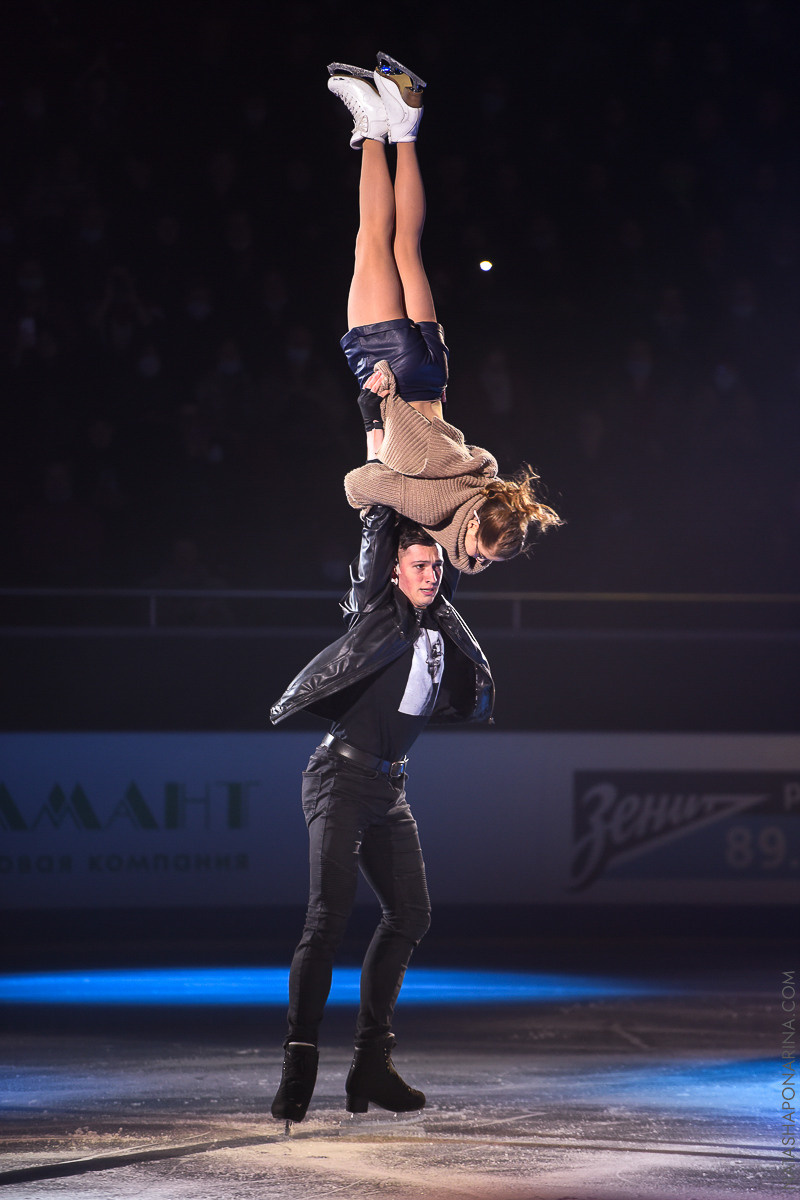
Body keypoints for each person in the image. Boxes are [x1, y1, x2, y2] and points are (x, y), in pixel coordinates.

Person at [269, 500, 494, 1124]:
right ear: (393, 570)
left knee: (412, 914)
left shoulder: (440, 626)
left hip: (389, 791)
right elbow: (375, 526)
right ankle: (300, 1059)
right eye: (419, 565)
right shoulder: (379, 610)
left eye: (437, 568)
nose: (431, 576)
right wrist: (378, 422)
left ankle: (371, 1061)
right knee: (328, 919)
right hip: (338, 780)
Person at [328, 52, 562, 575]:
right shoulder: (438, 509)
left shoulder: (484, 473)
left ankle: (405, 126)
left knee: (407, 247)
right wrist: (375, 424)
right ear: (476, 526)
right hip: (395, 373)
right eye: (478, 553)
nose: (471, 561)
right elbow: (358, 486)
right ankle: (370, 125)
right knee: (372, 241)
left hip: (433, 370)